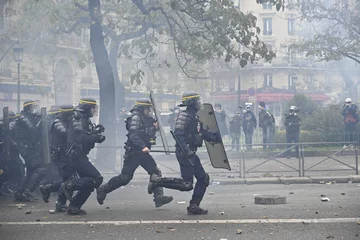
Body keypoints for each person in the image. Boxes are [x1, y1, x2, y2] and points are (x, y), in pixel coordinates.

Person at [148, 92, 221, 215]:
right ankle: (157, 181)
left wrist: (213, 137)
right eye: (197, 100)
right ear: (192, 102)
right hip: (185, 153)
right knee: (187, 184)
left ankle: (194, 206)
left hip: (190, 152)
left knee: (203, 179)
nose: (199, 103)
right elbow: (178, 134)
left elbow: (200, 133)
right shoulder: (185, 116)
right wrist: (187, 151)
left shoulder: (195, 117)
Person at [96, 98, 173, 208]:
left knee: (155, 172)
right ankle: (103, 189)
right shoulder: (136, 118)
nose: (149, 111)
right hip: (134, 153)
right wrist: (143, 147)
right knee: (125, 178)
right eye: (147, 109)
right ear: (142, 109)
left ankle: (159, 198)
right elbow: (134, 135)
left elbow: (146, 133)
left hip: (142, 154)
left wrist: (154, 128)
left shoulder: (146, 119)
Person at [61, 98, 105, 215]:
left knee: (89, 184)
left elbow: (86, 134)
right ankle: (70, 185)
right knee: (96, 178)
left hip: (80, 155)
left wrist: (96, 132)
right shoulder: (78, 117)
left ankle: (74, 207)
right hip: (76, 155)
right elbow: (80, 138)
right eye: (93, 107)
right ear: (87, 107)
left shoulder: (84, 118)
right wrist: (96, 137)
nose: (95, 110)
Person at [39, 105, 75, 212]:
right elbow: (66, 133)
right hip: (60, 156)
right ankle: (60, 203)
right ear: (67, 113)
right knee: (68, 180)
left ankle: (48, 189)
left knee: (68, 179)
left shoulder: (65, 122)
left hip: (66, 155)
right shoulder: (57, 123)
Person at [13, 101, 46, 202]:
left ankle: (19, 193)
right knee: (40, 168)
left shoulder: (28, 117)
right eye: (33, 107)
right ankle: (28, 191)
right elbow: (34, 131)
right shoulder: (24, 117)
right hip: (26, 148)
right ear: (27, 108)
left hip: (29, 148)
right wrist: (41, 120)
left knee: (31, 171)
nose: (34, 109)